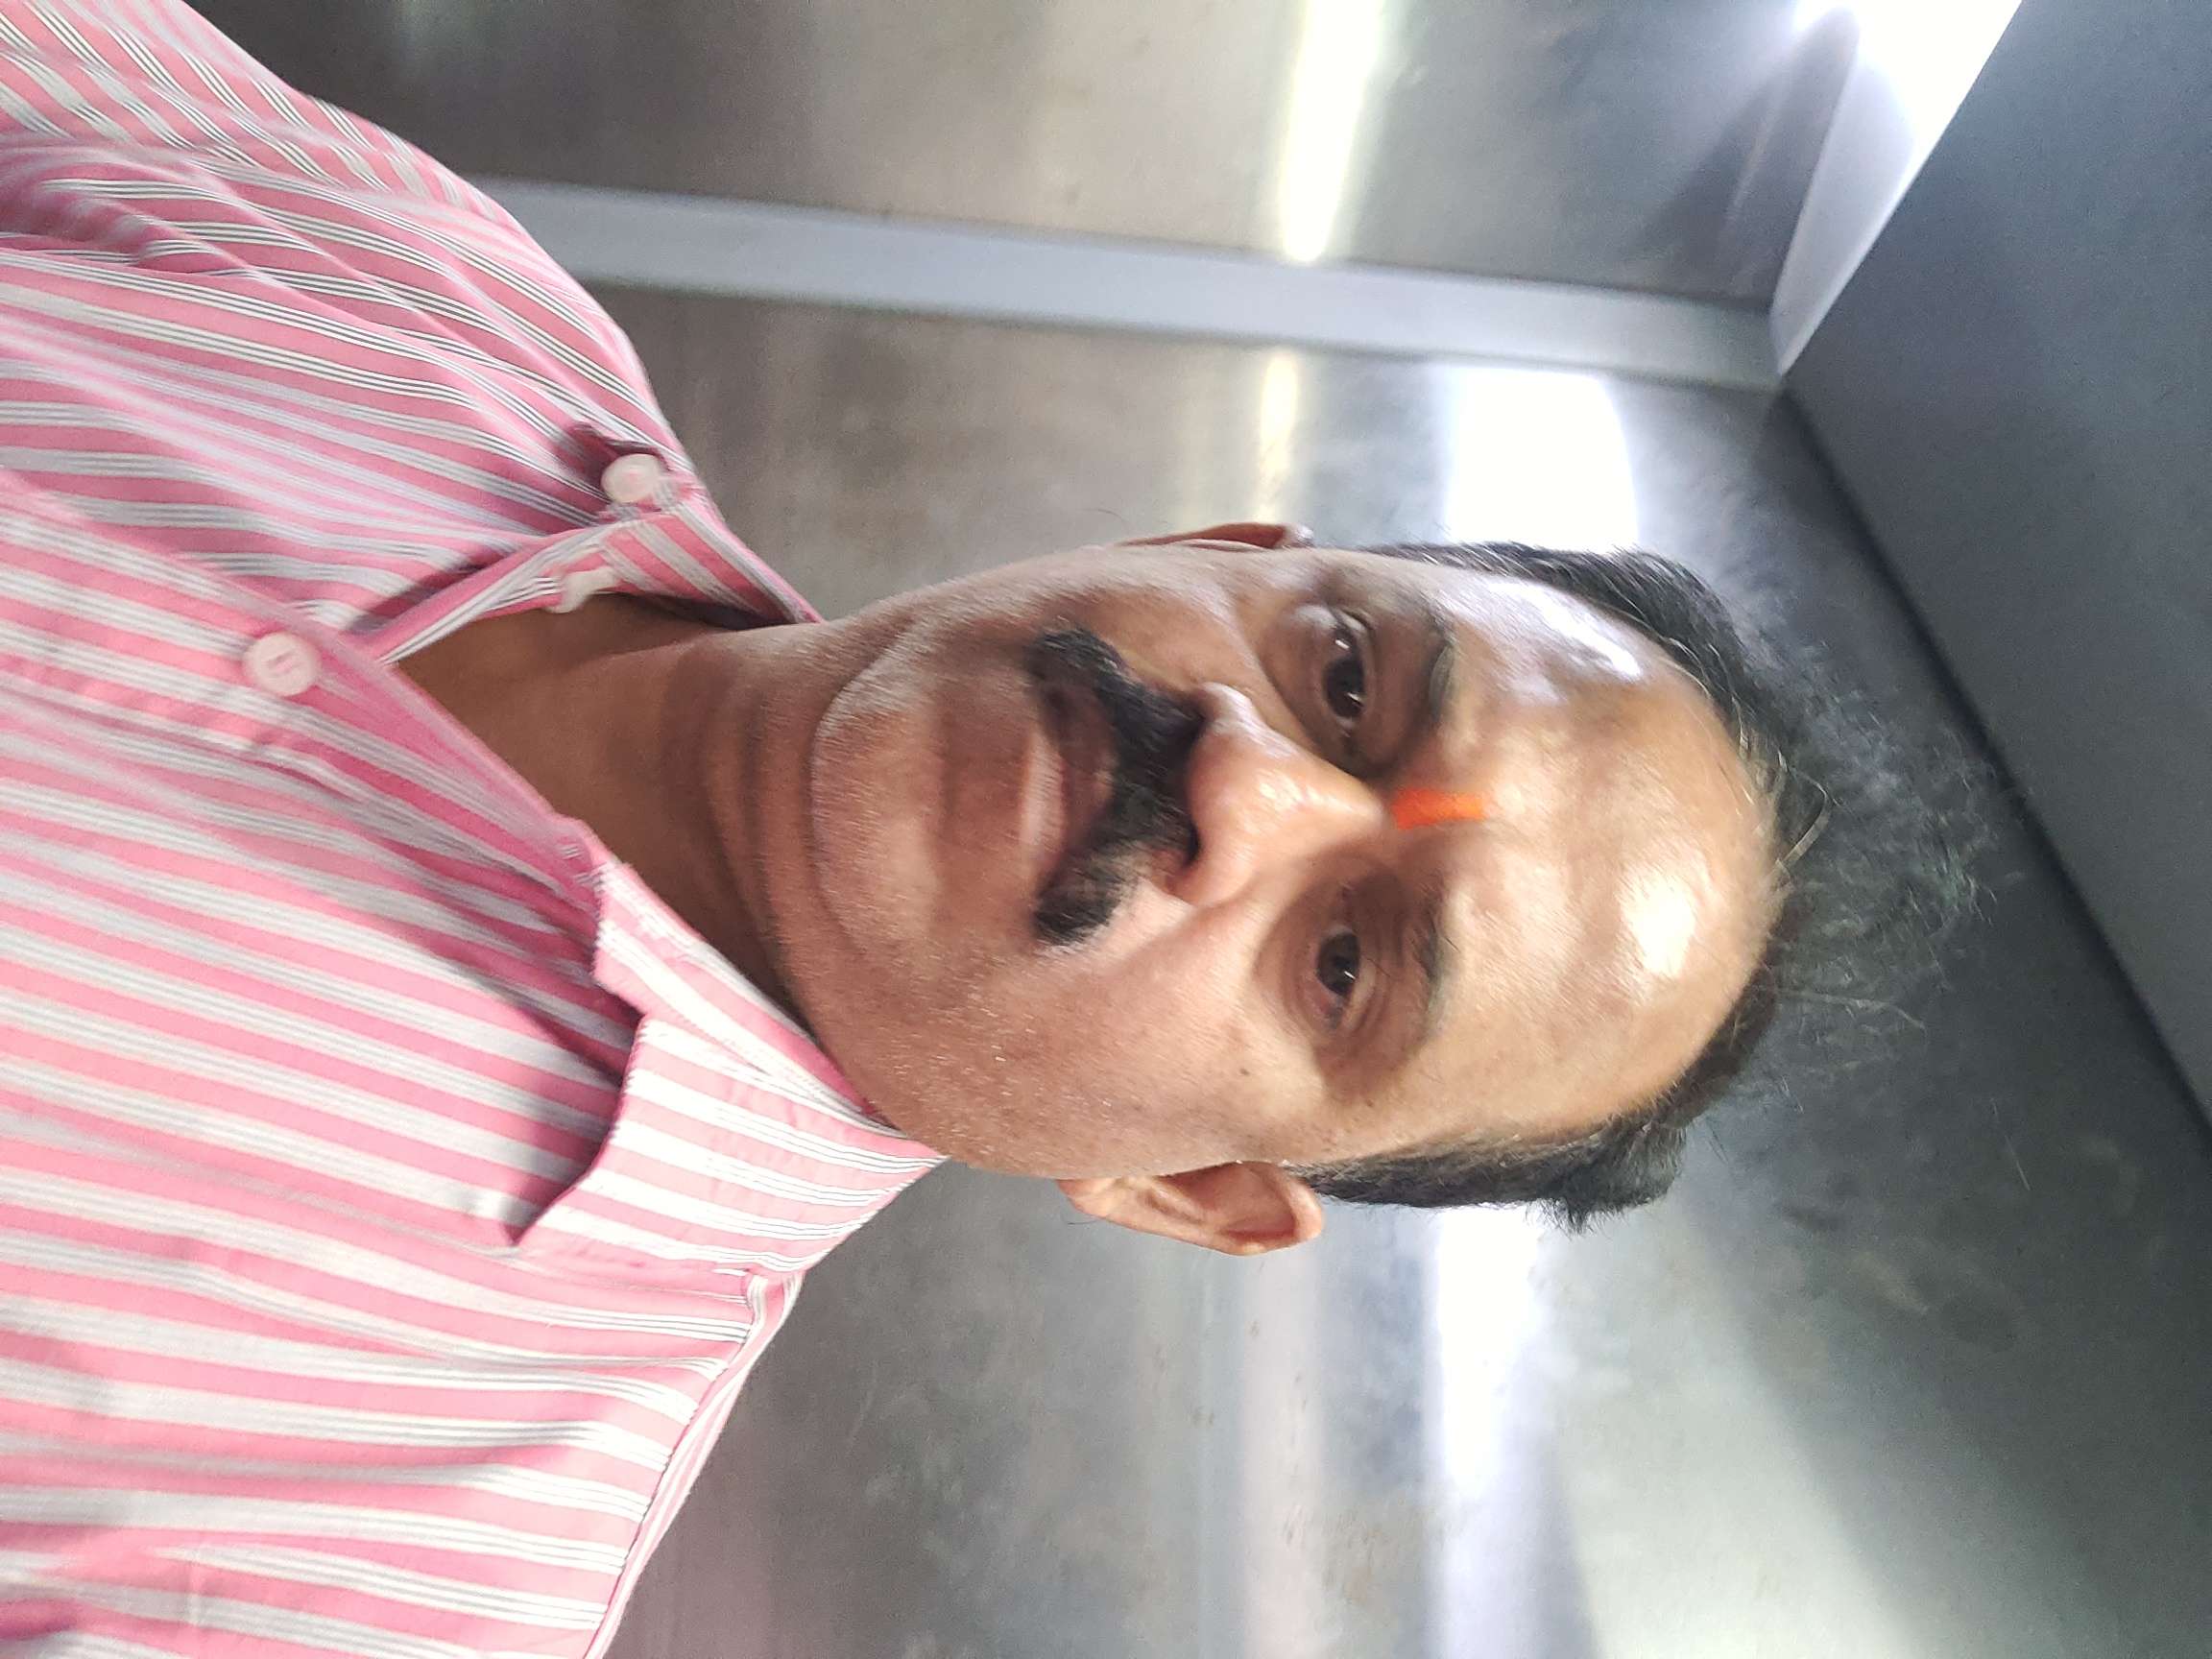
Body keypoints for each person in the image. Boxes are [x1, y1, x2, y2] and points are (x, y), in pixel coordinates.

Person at [0, 3, 1973, 1653]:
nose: (1243, 780)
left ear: (1195, 1187)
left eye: (1344, 960)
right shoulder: (444, 310)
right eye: (1345, 677)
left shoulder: (368, 1568)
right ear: (1211, 544)